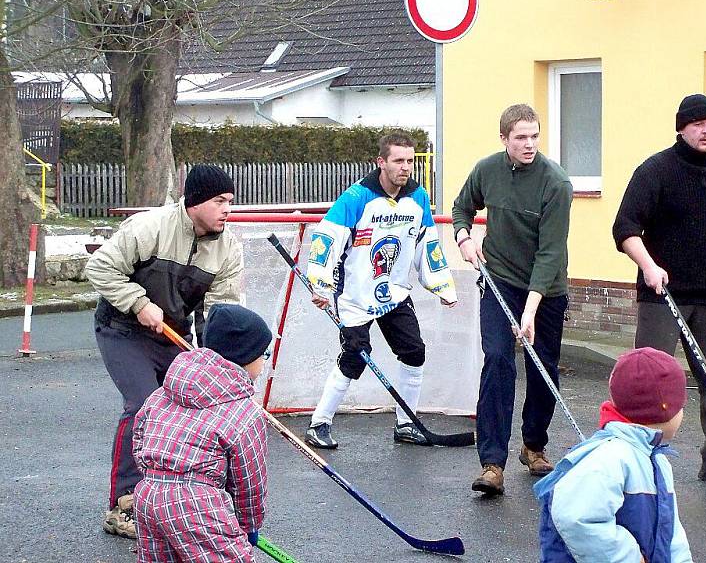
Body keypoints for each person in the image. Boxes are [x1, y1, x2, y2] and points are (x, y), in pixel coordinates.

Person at [85, 164, 243, 538]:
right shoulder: (150, 228)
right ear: (196, 201)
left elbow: (221, 312)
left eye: (230, 202)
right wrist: (138, 303)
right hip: (121, 327)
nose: (227, 210)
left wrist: (216, 363)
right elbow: (100, 267)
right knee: (143, 405)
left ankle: (176, 498)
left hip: (171, 335)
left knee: (187, 411)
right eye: (219, 201)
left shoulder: (228, 249)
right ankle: (122, 504)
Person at [613, 94, 706, 486]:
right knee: (651, 379)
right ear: (681, 127)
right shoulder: (656, 170)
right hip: (663, 295)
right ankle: (638, 459)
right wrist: (649, 266)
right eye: (698, 123)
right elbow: (625, 228)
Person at [303, 131, 458, 449]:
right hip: (355, 295)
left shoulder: (418, 198)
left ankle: (406, 424)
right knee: (356, 356)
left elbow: (426, 243)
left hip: (395, 292)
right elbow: (326, 239)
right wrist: (320, 284)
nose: (405, 167)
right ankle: (319, 424)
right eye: (398, 161)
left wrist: (441, 284)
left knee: (414, 351)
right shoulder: (356, 197)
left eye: (410, 161)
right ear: (381, 162)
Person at [453, 104, 573, 496]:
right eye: (521, 137)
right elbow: (461, 207)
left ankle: (534, 445)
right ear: (504, 139)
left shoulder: (555, 183)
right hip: (500, 278)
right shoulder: (487, 170)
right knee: (499, 359)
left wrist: (531, 311)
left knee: (543, 367)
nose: (529, 144)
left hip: (546, 288)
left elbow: (550, 253)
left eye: (535, 136)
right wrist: (463, 236)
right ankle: (491, 463)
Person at [133, 304, 272, 563]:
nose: (266, 361)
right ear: (246, 355)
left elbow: (139, 438)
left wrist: (157, 479)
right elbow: (249, 481)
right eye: (265, 353)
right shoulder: (243, 411)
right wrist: (248, 524)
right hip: (197, 505)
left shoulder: (161, 394)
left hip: (148, 496)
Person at [534, 347, 693, 563]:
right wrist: (631, 558)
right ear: (665, 410)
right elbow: (575, 518)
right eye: (680, 406)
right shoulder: (611, 458)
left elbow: (670, 531)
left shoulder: (657, 459)